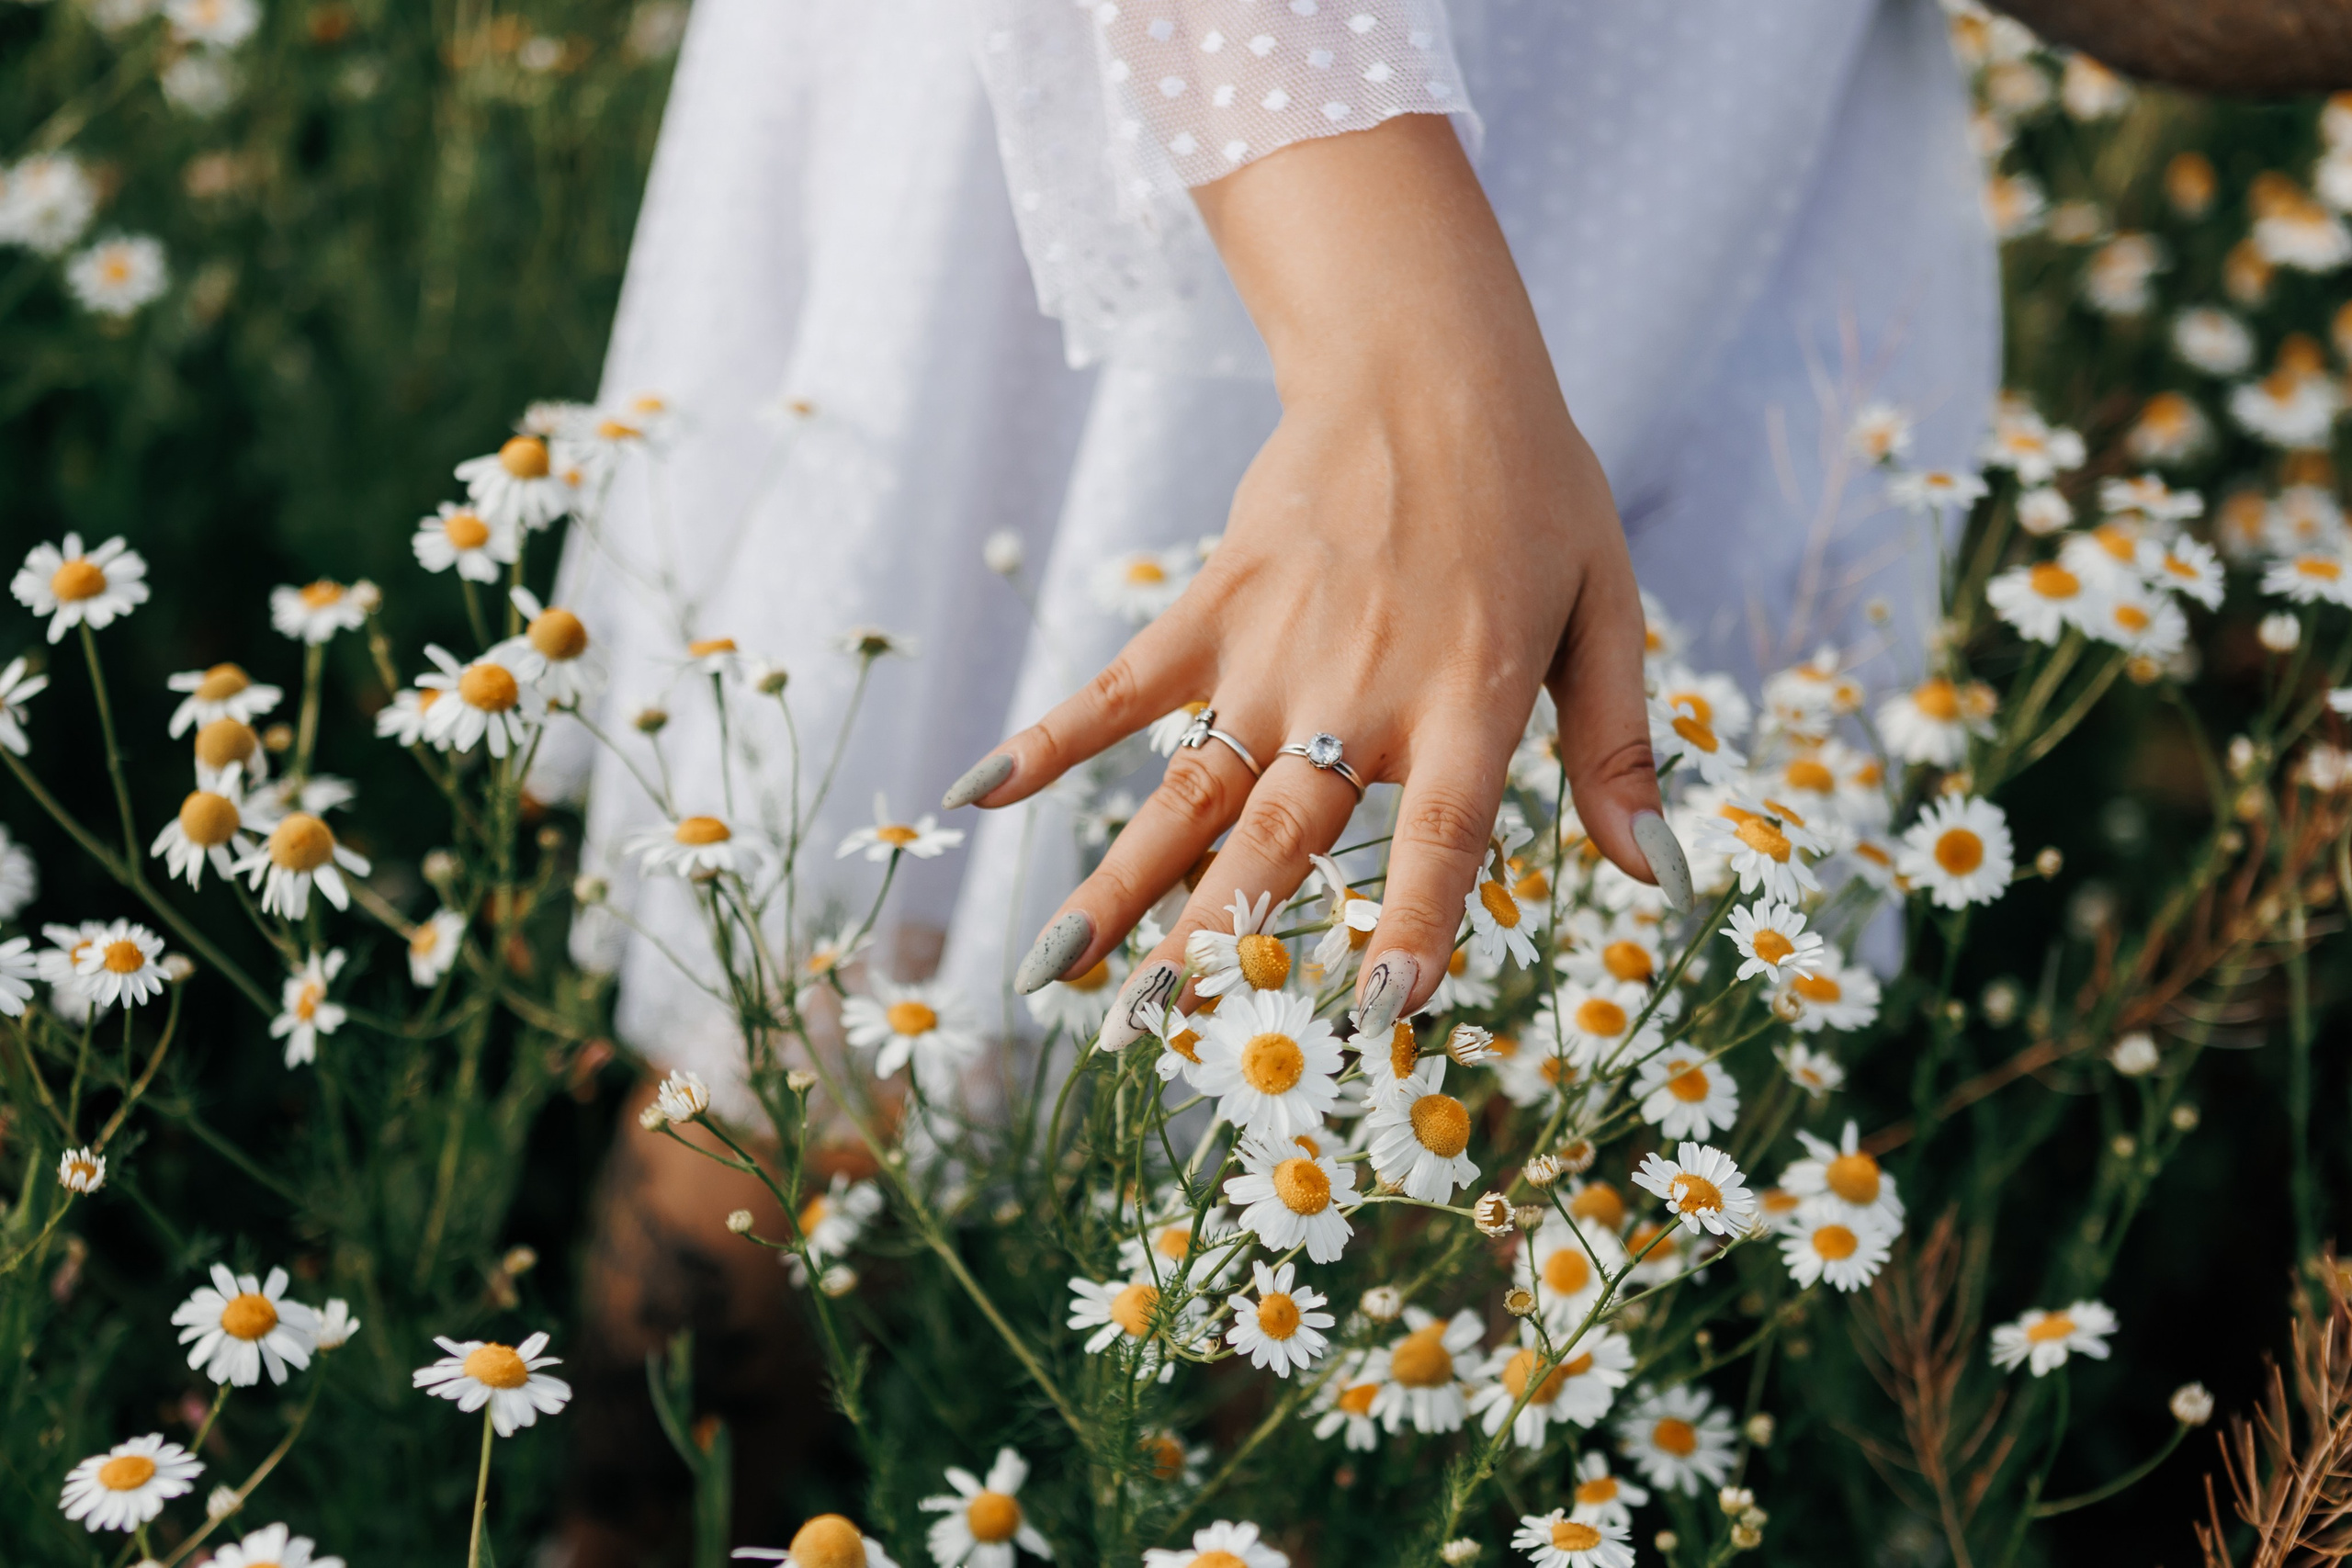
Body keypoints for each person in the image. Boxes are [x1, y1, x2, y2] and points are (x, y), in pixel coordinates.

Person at [542, 0, 1996, 1555]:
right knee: (833, 1039)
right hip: (1234, 124)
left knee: (1473, 1135)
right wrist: (1416, 382)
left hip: (1702, 123)